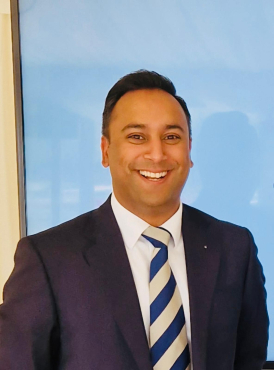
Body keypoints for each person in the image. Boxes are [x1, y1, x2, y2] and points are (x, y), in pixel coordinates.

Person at [0, 70, 269, 370]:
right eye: (137, 137)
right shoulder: (49, 259)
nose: (156, 154)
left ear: (189, 150)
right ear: (106, 150)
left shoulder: (234, 249)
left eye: (171, 137)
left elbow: (249, 360)